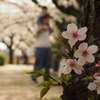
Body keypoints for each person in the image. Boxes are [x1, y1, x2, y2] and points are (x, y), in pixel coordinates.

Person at [31, 14, 53, 83]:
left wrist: (51, 29)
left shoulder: (47, 26)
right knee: (39, 63)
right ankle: (33, 77)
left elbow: (50, 33)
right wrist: (39, 29)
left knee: (47, 64)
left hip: (47, 47)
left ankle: (47, 78)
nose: (48, 21)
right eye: (47, 19)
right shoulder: (37, 25)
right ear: (43, 19)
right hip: (40, 48)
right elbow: (34, 34)